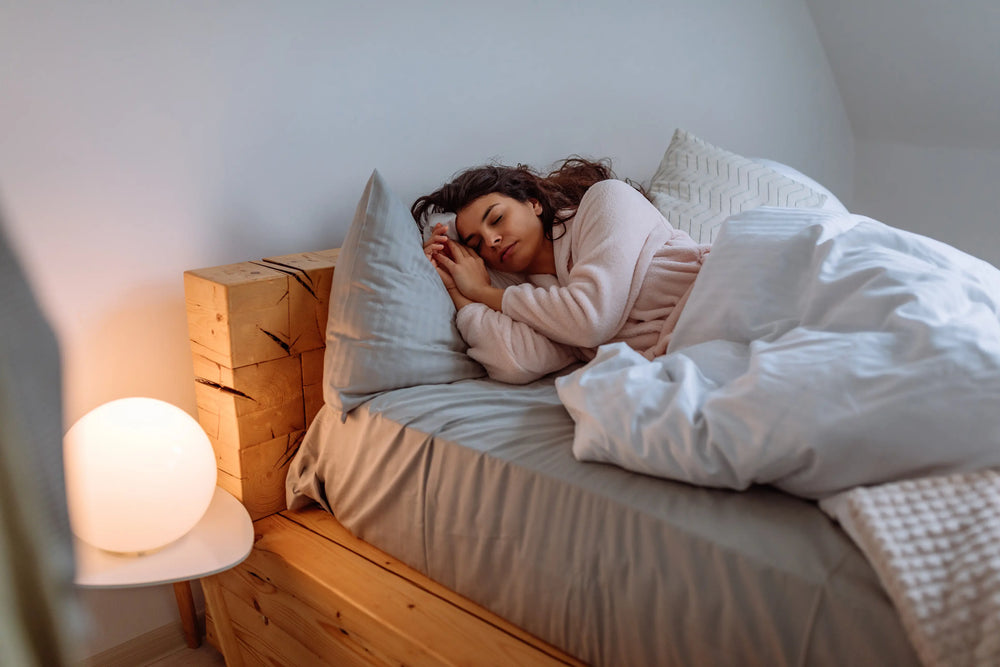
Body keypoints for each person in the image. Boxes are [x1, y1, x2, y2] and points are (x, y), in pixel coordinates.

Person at [412, 158, 710, 384]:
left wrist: (482, 292)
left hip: (726, 289)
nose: (491, 240)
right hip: (696, 353)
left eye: (498, 218)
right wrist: (454, 287)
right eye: (476, 244)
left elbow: (590, 320)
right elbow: (516, 360)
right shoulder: (543, 302)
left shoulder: (606, 201)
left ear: (533, 203)